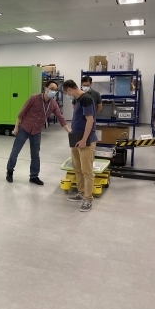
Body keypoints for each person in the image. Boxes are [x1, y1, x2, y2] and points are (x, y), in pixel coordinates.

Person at [6, 80, 72, 185]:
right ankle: (10, 171)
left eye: (55, 90)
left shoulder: (53, 104)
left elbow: (61, 118)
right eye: (52, 89)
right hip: (24, 128)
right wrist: (16, 127)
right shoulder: (34, 98)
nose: (53, 91)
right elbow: (21, 113)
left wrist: (69, 132)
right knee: (15, 151)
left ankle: (34, 176)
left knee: (35, 155)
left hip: (36, 131)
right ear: (46, 88)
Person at [62, 80, 97, 212]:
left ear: (69, 90)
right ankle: (82, 193)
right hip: (76, 139)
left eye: (66, 93)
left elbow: (90, 120)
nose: (67, 95)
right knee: (77, 168)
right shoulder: (77, 100)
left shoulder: (86, 99)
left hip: (85, 140)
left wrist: (84, 139)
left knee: (87, 171)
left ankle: (88, 199)